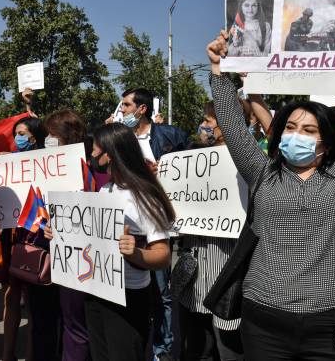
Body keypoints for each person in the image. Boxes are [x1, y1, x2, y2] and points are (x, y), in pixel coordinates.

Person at [205, 14, 335, 360]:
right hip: (264, 321)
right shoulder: (261, 172)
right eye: (290, 127)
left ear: (327, 142)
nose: (296, 135)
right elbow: (233, 125)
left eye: (309, 130)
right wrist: (218, 72)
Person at [77, 122, 174, 361]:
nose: (91, 154)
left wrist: (135, 254)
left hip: (128, 297)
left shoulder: (143, 196)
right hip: (97, 292)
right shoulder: (105, 191)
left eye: (95, 149)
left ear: (109, 154)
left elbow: (163, 254)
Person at [117, 87, 186, 361]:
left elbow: (192, 169)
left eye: (125, 105)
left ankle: (162, 349)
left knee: (161, 292)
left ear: (141, 109)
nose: (121, 110)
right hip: (130, 227)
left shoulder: (170, 136)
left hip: (158, 223)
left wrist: (166, 168)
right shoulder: (121, 140)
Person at [180, 102, 245, 361]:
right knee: (197, 349)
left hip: (227, 277)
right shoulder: (190, 159)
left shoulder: (247, 164)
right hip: (194, 278)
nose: (204, 126)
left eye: (209, 120)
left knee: (229, 350)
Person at [28, 109, 89, 361]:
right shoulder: (37, 165)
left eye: (53, 134)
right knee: (42, 322)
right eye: (47, 134)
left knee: (73, 325)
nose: (48, 139)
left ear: (69, 136)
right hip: (43, 253)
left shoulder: (88, 169)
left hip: (74, 259)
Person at [0, 116, 45, 361]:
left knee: (35, 304)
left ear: (34, 138)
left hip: (37, 237)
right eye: (15, 132)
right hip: (12, 234)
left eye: (22, 133)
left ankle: (30, 354)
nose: (17, 137)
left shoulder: (47, 165)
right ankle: (7, 353)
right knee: (11, 296)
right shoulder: (8, 163)